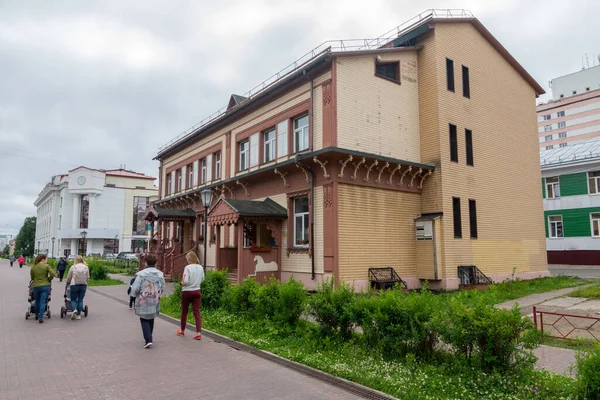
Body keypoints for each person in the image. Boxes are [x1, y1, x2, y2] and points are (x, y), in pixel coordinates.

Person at [131, 254, 164, 349]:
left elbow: (136, 287)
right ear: (155, 263)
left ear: (146, 262)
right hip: (154, 298)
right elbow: (163, 286)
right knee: (151, 316)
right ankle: (149, 337)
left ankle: (148, 339)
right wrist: (158, 294)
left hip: (143, 298)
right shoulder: (160, 274)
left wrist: (133, 295)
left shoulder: (141, 274)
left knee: (144, 318)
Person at [176, 251, 205, 340]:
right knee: (197, 312)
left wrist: (181, 283)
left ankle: (182, 330)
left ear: (189, 259)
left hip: (187, 291)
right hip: (197, 291)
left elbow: (186, 281)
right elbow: (203, 279)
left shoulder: (187, 268)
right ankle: (198, 333)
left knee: (184, 311)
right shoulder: (200, 267)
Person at [30, 254, 55, 323]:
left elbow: (32, 278)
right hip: (45, 286)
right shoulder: (46, 266)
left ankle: (36, 315)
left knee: (37, 301)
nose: (47, 260)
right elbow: (53, 273)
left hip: (36, 286)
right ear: (43, 259)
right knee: (43, 302)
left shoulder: (33, 267)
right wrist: (49, 279)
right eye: (46, 259)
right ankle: (41, 317)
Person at [66, 255, 89, 320]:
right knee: (80, 299)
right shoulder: (86, 267)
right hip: (83, 285)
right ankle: (79, 315)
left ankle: (74, 310)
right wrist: (86, 283)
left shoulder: (73, 267)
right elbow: (87, 277)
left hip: (74, 285)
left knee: (73, 299)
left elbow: (69, 277)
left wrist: (67, 282)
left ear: (75, 260)